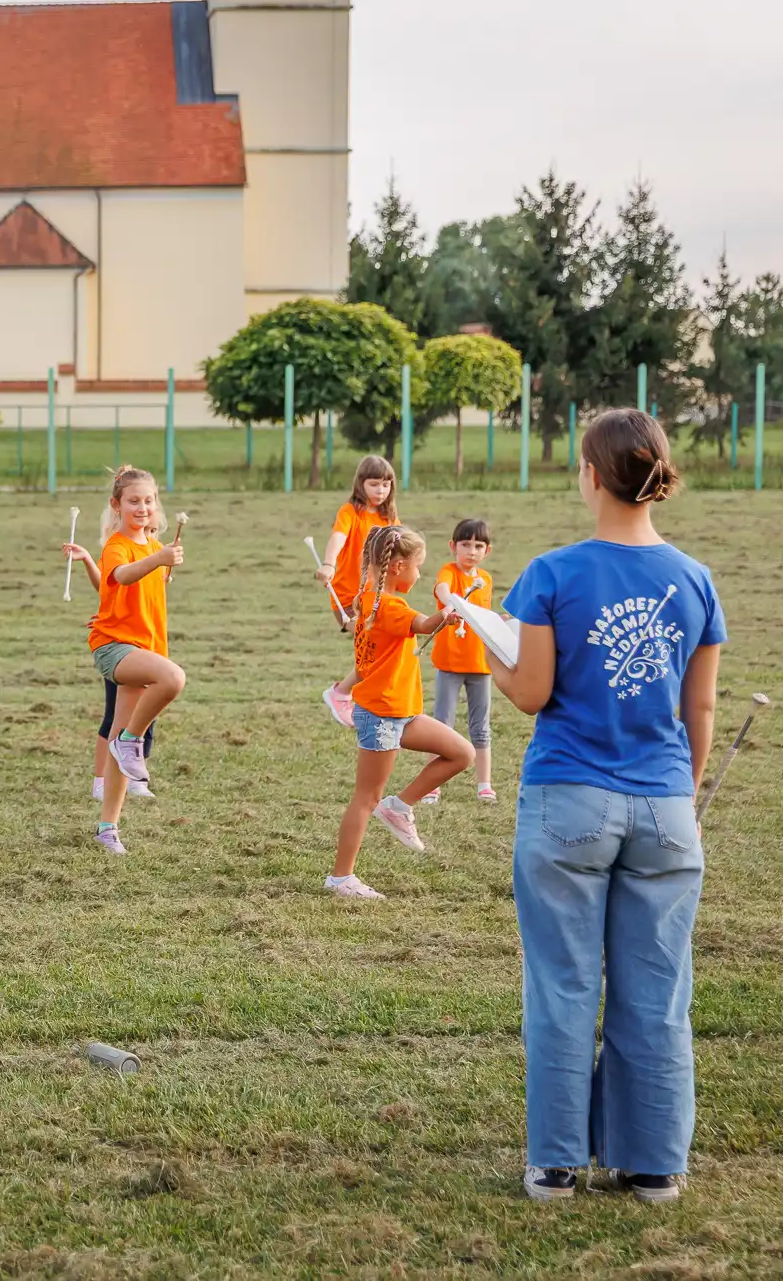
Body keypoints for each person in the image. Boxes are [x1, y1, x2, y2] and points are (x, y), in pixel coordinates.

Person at [489, 410, 722, 1204]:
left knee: (563, 986)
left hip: (568, 799)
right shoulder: (695, 579)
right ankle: (653, 1163)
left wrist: (486, 640)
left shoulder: (552, 572)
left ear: (591, 475)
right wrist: (680, 794)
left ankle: (555, 1163)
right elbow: (702, 709)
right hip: (664, 802)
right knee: (656, 989)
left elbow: (531, 693)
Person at [326, 525, 475, 900]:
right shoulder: (388, 606)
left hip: (403, 713)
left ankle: (400, 806)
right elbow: (424, 624)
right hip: (381, 716)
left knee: (462, 753)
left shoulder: (371, 599)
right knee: (365, 798)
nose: (420, 574)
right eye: (417, 566)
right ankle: (341, 878)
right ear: (396, 567)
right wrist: (448, 612)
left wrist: (445, 617)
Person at [84, 466, 186, 854]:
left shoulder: (152, 546)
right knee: (173, 680)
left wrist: (161, 563)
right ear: (116, 505)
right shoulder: (118, 543)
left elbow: (129, 597)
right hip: (116, 648)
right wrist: (158, 559)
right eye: (133, 501)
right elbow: (122, 576)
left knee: (114, 746)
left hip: (146, 647)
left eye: (148, 501)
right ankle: (132, 741)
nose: (142, 508)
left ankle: (107, 827)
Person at [60, 546, 156, 805]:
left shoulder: (153, 557)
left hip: (149, 643)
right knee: (115, 715)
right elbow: (107, 588)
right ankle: (101, 781)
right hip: (121, 645)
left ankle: (135, 779)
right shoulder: (121, 551)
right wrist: (108, 621)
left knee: (146, 715)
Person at [315, 455, 400, 726]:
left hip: (377, 597)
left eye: (386, 484)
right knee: (374, 648)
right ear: (360, 484)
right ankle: (341, 693)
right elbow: (338, 538)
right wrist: (329, 564)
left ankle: (358, 699)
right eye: (374, 484)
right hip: (348, 597)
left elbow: (399, 546)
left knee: (378, 651)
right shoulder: (350, 512)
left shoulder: (389, 516)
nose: (380, 490)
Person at [422, 517, 496, 807]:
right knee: (442, 724)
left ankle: (485, 785)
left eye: (479, 546)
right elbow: (441, 589)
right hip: (450, 664)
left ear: (487, 551)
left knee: (481, 725)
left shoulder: (486, 580)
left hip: (480, 665)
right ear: (453, 546)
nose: (472, 551)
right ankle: (432, 787)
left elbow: (484, 617)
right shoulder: (449, 573)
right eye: (466, 544)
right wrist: (451, 602)